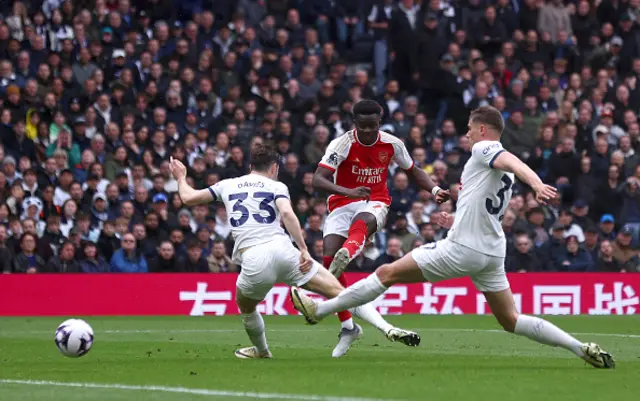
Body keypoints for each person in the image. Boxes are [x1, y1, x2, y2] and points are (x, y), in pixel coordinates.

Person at [292, 106, 615, 369]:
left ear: (483, 130)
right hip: (491, 252)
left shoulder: (485, 147)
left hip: (462, 249)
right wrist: (455, 217)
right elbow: (486, 199)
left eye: (470, 129)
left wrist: (536, 183)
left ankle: (320, 310)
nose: (467, 135)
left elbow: (512, 161)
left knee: (386, 273)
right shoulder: (494, 170)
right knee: (510, 319)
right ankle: (579, 347)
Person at [170, 145, 419, 359]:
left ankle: (262, 350)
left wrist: (181, 176)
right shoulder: (276, 185)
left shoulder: (227, 185)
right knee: (341, 292)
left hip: (254, 257)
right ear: (274, 167)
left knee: (246, 307)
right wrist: (303, 249)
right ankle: (386, 327)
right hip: (284, 250)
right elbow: (287, 214)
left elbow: (189, 198)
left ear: (250, 166)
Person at [312, 99, 449, 349]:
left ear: (379, 123)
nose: (367, 131)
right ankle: (348, 327)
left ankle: (350, 250)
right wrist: (348, 191)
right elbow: (317, 180)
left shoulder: (391, 143)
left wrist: (435, 188)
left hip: (376, 200)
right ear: (355, 123)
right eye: (362, 126)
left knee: (362, 222)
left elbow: (413, 170)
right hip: (342, 201)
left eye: (372, 126)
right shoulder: (342, 144)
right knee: (329, 262)